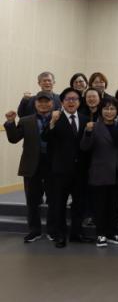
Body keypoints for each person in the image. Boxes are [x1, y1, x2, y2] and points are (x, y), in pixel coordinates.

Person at [4, 92, 56, 243]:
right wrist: (10, 123)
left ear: (52, 103)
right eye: (40, 102)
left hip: (53, 164)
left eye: (47, 101)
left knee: (54, 200)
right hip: (31, 165)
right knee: (32, 201)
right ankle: (34, 231)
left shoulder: (59, 118)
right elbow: (14, 138)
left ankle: (52, 230)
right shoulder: (26, 120)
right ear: (35, 104)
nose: (43, 104)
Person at [42, 88, 90, 248]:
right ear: (62, 102)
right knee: (59, 204)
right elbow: (45, 137)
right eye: (68, 99)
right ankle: (60, 235)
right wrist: (52, 122)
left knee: (79, 204)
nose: (71, 102)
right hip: (60, 170)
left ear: (79, 102)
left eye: (75, 99)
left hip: (80, 171)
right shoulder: (55, 117)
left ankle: (77, 234)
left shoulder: (85, 119)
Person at [80, 97, 118, 247]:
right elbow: (84, 147)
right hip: (99, 172)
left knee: (113, 206)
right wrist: (87, 132)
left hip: (117, 172)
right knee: (100, 206)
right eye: (106, 109)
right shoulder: (94, 126)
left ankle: (112, 233)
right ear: (100, 110)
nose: (109, 112)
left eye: (112, 109)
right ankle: (101, 234)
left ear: (117, 111)